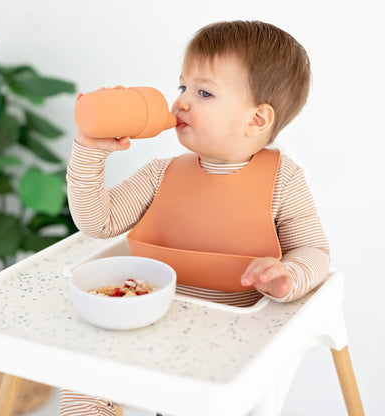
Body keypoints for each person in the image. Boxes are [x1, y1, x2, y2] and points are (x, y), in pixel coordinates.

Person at [61, 20, 330, 416]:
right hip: (148, 325)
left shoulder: (283, 180)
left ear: (257, 119)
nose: (181, 102)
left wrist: (288, 276)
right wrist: (90, 150)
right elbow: (97, 222)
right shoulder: (159, 173)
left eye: (204, 92)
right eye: (182, 87)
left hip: (225, 348)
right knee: (80, 388)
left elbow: (315, 250)